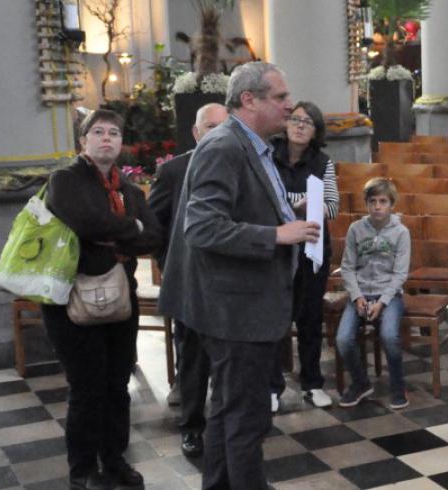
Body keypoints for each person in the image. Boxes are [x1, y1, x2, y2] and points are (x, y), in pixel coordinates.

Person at [158, 61, 319, 490]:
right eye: (281, 98)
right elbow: (202, 226)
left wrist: (287, 213)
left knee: (232, 412)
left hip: (246, 306)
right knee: (246, 419)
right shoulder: (224, 146)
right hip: (235, 310)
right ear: (249, 100)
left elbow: (240, 207)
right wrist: (277, 233)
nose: (290, 107)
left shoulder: (253, 146)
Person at [43, 109, 161, 490]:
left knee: (116, 385)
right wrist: (130, 228)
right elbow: (86, 222)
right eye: (98, 132)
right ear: (83, 141)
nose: (107, 138)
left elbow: (153, 236)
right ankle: (81, 471)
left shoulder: (126, 188)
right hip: (72, 302)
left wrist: (121, 232)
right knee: (86, 388)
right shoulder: (66, 179)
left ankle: (114, 461)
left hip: (118, 298)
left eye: (114, 132)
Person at [147, 101, 228, 458]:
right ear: (196, 133)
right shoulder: (174, 171)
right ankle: (192, 426)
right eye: (211, 127)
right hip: (190, 284)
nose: (219, 133)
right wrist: (170, 265)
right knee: (192, 359)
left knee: (230, 358)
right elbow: (154, 227)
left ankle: (230, 423)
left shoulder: (239, 165)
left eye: (224, 127)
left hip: (229, 283)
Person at [268, 101, 340, 411]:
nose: (299, 126)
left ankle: (312, 383)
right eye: (295, 119)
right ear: (285, 125)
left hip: (312, 248)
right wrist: (299, 201)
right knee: (275, 317)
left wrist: (310, 205)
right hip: (278, 248)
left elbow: (332, 205)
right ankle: (271, 387)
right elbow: (265, 197)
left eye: (307, 122)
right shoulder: (269, 156)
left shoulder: (322, 162)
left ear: (315, 132)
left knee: (310, 316)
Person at [336, 177, 412, 409]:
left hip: (389, 296)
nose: (377, 206)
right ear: (366, 204)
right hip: (359, 294)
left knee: (389, 336)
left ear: (392, 205)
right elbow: (347, 267)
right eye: (372, 201)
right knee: (343, 339)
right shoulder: (356, 229)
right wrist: (357, 296)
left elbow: (400, 274)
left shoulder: (401, 232)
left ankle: (398, 387)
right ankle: (360, 383)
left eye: (383, 201)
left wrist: (382, 301)